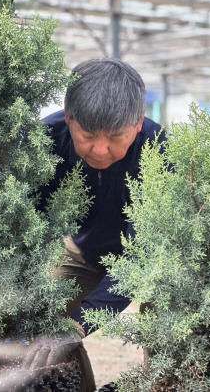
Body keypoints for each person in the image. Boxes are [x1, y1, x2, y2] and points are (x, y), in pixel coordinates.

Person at [24, 58, 166, 389]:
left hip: (152, 260)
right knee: (42, 322)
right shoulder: (46, 140)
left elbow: (138, 261)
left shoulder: (158, 152)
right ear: (69, 118)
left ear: (137, 122)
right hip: (84, 251)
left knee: (169, 323)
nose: (100, 150)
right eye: (86, 135)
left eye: (116, 136)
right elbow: (28, 227)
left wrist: (79, 323)